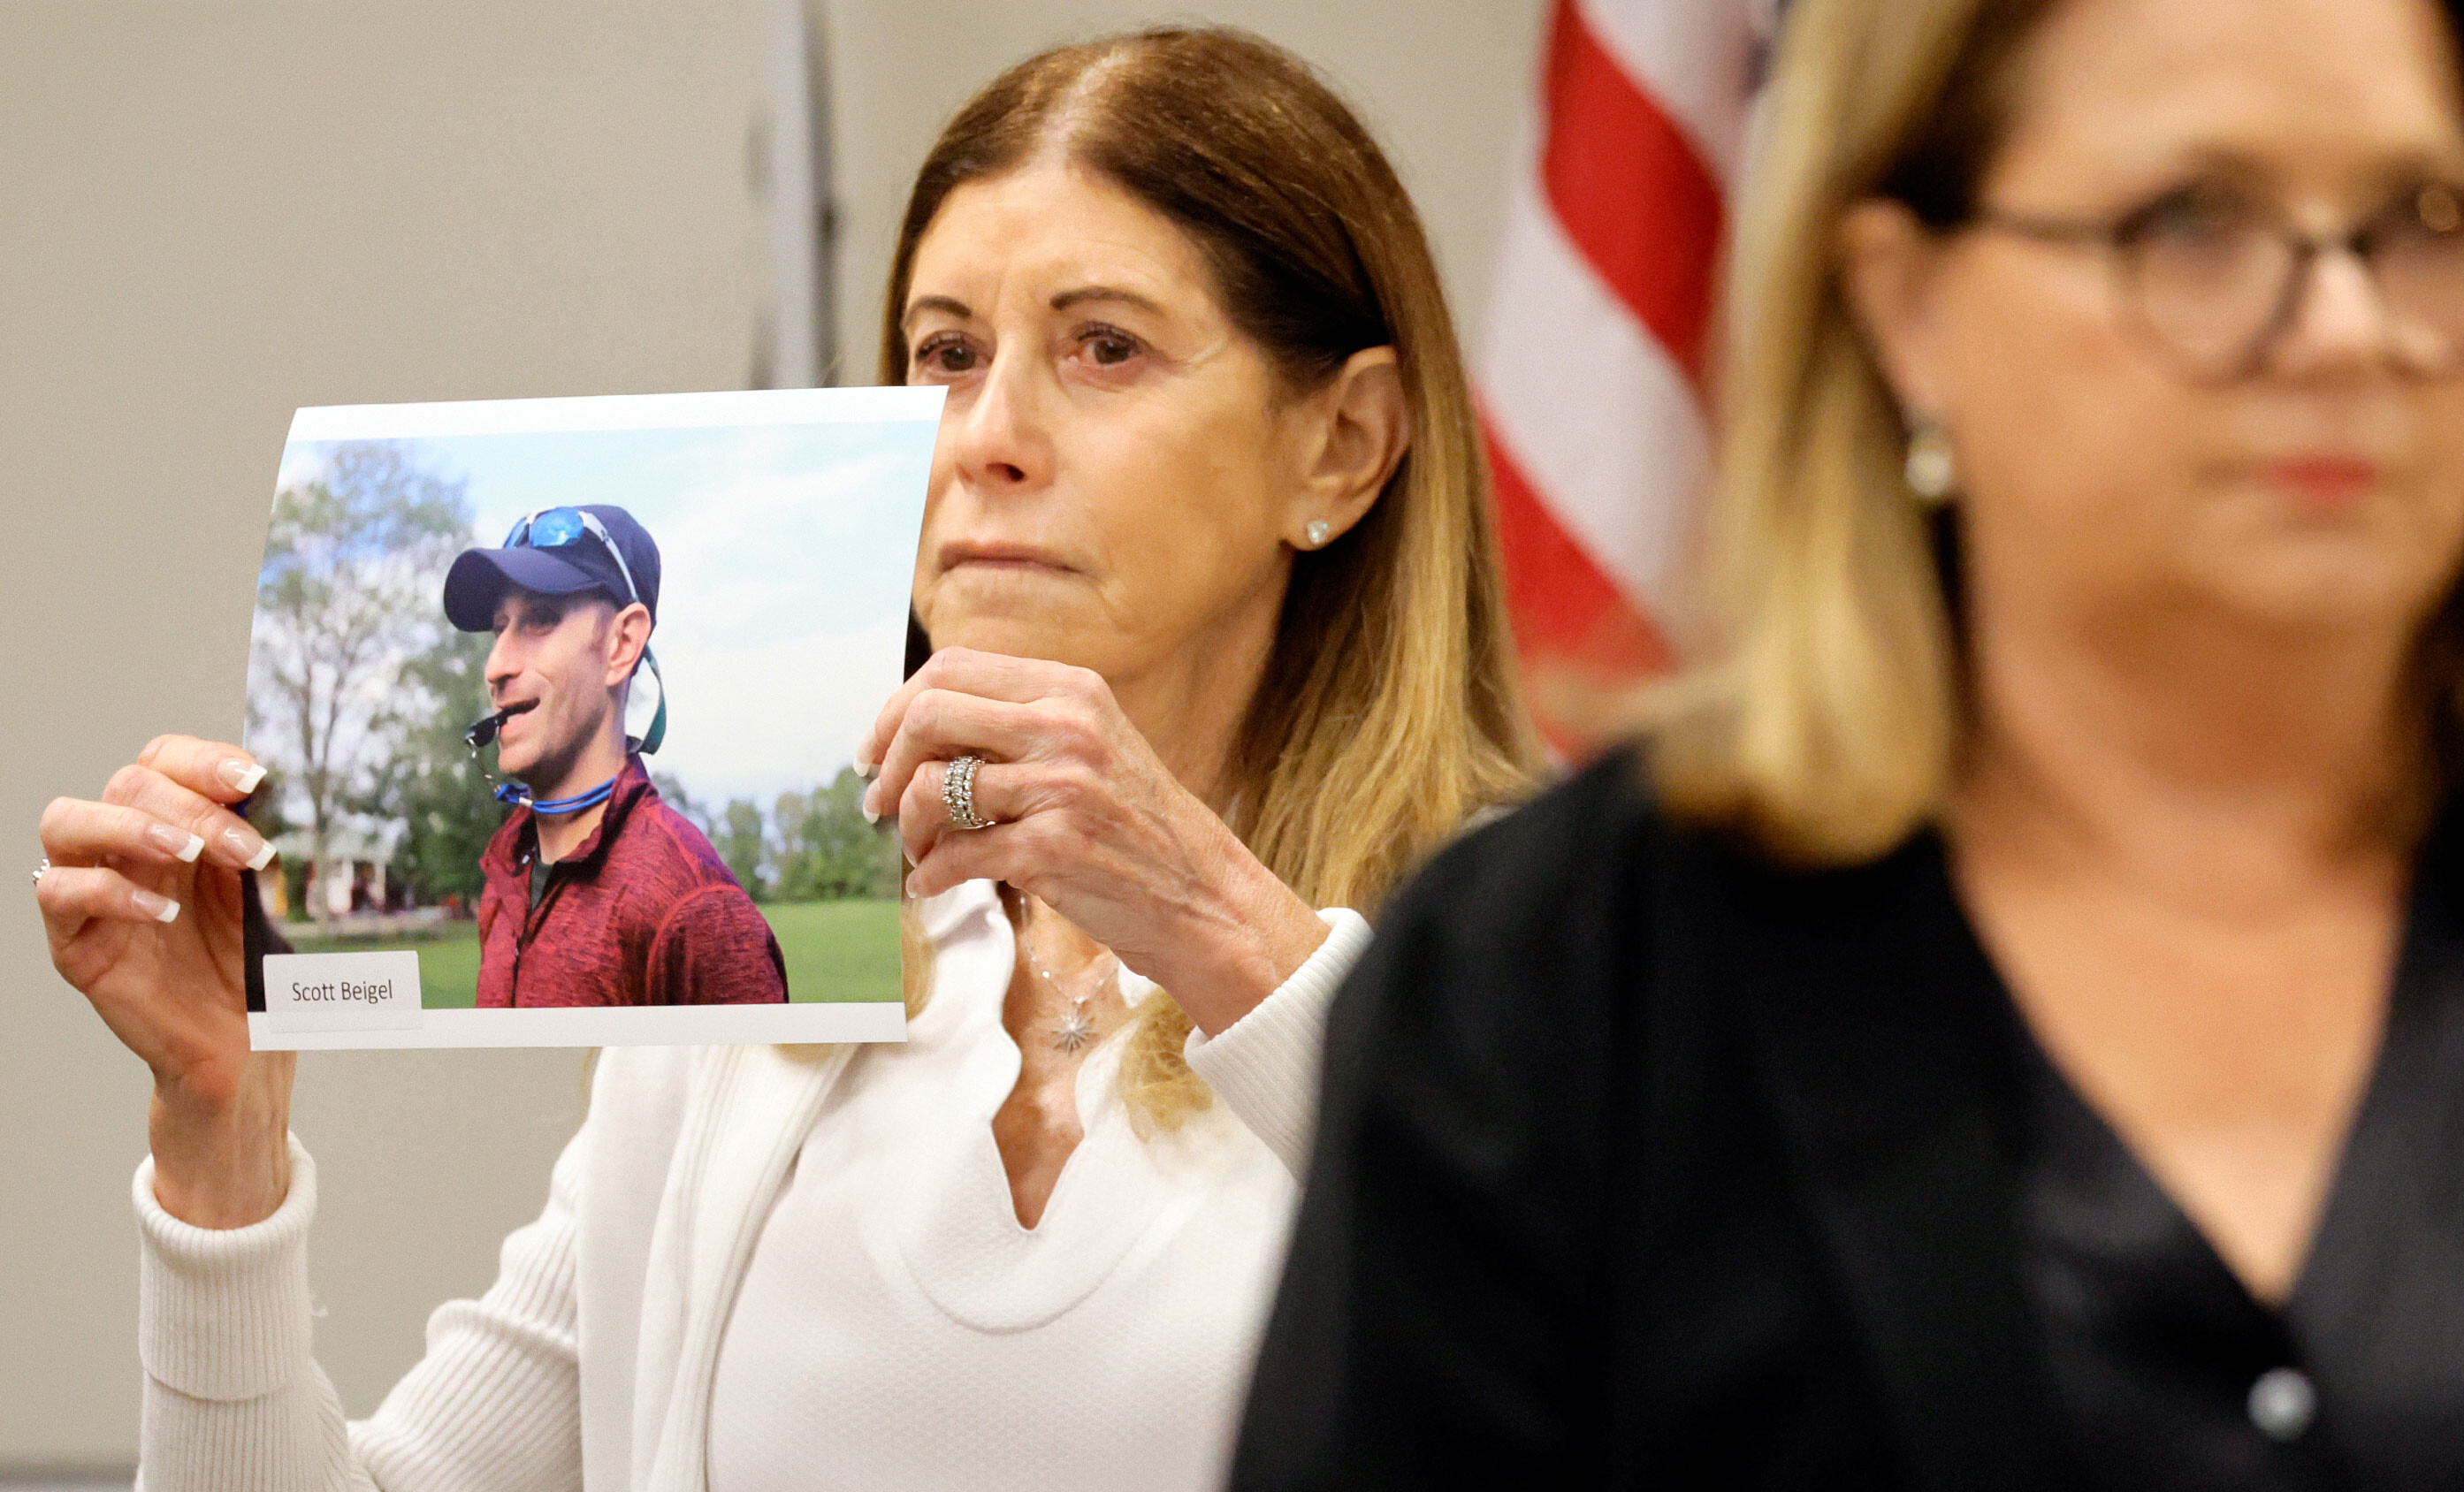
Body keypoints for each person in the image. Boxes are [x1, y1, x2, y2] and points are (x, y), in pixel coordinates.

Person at [31, 23, 1532, 1492]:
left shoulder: (1543, 947)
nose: (986, 435)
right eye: (944, 352)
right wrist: (216, 1139)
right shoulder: (756, 977)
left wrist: (1220, 933)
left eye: (1105, 348)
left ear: (1344, 441)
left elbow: (1589, 1356)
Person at [1234, 0, 2464, 1487]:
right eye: (2195, 219)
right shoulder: (1553, 984)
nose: (2349, 327)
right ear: (1904, 305)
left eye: (2424, 219)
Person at [444, 501, 788, 1007]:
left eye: (540, 619)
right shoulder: (506, 875)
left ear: (622, 645)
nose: (496, 665)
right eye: (500, 628)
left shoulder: (695, 910)